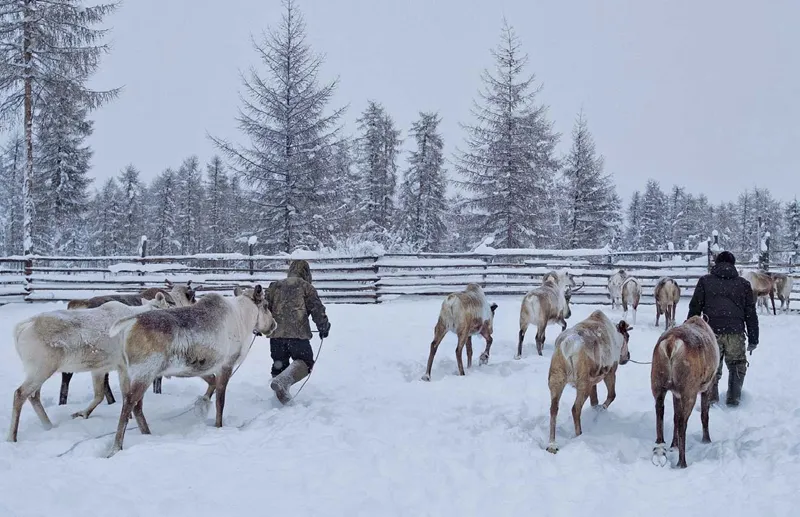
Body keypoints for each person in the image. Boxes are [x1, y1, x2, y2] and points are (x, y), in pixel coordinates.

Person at [687, 250, 758, 407]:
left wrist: (690, 333)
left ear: (716, 263)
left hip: (711, 334)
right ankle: (734, 399)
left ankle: (711, 401)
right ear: (733, 264)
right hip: (736, 333)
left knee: (712, 367)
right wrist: (753, 338)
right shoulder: (743, 284)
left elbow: (695, 308)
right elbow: (751, 313)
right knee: (737, 365)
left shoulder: (705, 281)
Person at [265, 259, 331, 404]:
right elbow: (317, 309)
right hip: (297, 335)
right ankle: (283, 383)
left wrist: (259, 327)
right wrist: (323, 326)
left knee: (279, 364)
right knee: (306, 362)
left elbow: (264, 309)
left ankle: (278, 398)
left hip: (276, 335)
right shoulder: (306, 287)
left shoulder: (275, 286)